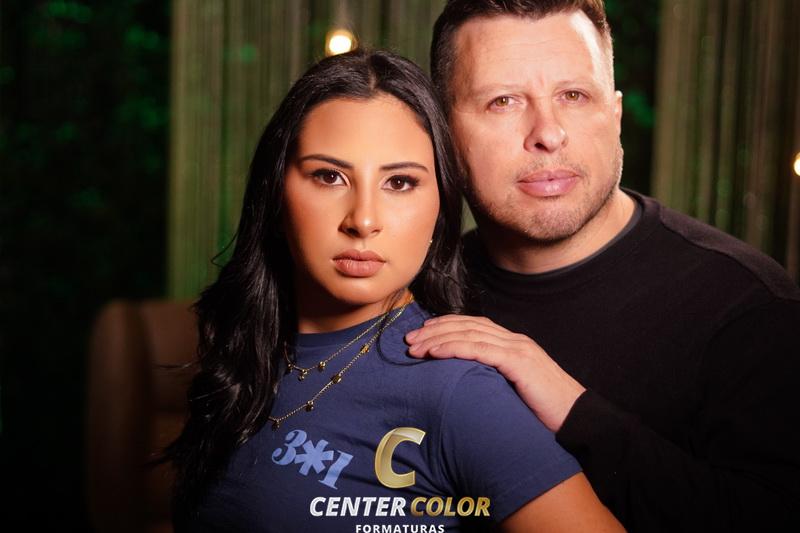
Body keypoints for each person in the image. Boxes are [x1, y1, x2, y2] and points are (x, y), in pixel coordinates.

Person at [160, 49, 623, 532]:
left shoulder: (459, 393)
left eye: (400, 182)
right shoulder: (247, 350)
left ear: (440, 208)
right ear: (276, 191)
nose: (363, 220)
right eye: (329, 177)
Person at [406, 1, 800, 531]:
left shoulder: (749, 308)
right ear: (443, 130)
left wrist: (572, 411)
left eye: (573, 95)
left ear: (613, 114)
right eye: (503, 101)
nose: (548, 133)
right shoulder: (411, 290)